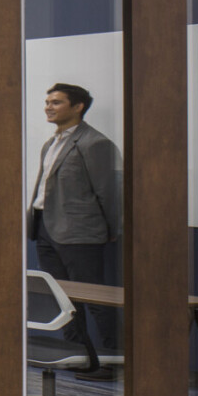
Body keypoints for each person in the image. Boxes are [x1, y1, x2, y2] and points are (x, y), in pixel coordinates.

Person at [26, 82, 122, 376]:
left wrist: (112, 228)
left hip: (80, 233)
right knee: (61, 298)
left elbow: (110, 192)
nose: (48, 107)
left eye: (56, 102)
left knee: (94, 299)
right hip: (44, 227)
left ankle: (112, 359)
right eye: (47, 102)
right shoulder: (51, 143)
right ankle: (75, 354)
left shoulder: (95, 143)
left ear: (77, 106)